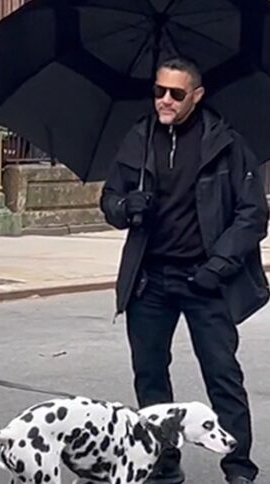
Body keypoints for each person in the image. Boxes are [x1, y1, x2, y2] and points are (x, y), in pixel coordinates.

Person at [101, 57, 267, 484]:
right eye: (159, 91)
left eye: (176, 93)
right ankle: (162, 463)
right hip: (150, 278)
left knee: (222, 375)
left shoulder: (227, 144)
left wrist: (219, 265)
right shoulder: (138, 139)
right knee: (150, 375)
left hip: (205, 278)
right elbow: (109, 199)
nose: (165, 100)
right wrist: (125, 207)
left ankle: (238, 467)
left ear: (197, 95)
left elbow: (253, 213)